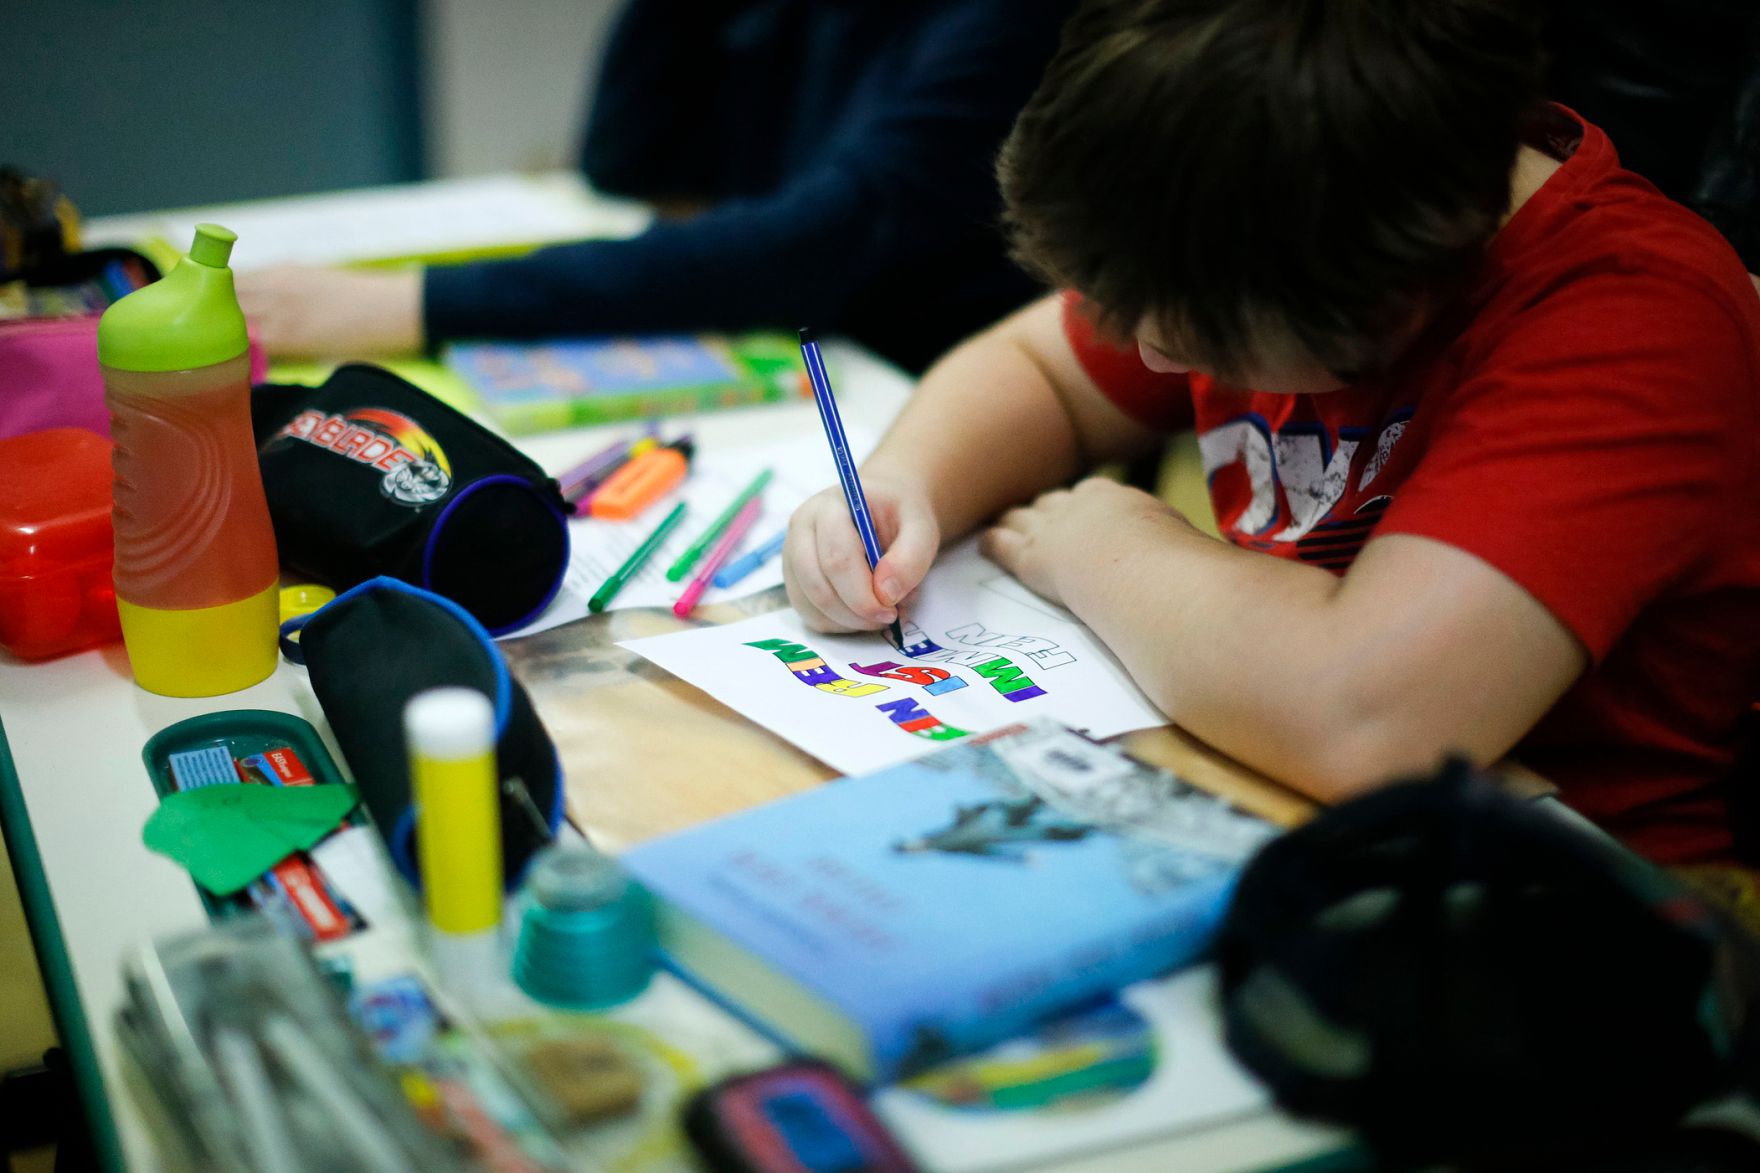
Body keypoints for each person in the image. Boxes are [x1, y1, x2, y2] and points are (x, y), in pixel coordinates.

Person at [783, 0, 1760, 866]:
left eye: (1197, 337)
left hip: (1557, 896)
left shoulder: (1626, 326)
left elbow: (1367, 721)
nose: (1154, 362)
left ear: (1394, 293)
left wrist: (1111, 550)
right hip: (1280, 783)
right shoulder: (1253, 196)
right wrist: (901, 485)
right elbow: (1038, 370)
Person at [237, 0, 1075, 373]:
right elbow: (630, 158)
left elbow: (811, 240)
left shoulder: (1013, 19)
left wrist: (411, 303)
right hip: (804, 354)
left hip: (907, 392)